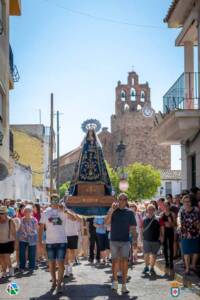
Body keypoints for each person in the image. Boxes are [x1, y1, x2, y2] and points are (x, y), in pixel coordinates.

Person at [38, 194, 77, 294]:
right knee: (51, 264)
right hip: (50, 242)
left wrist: (65, 211)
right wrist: (39, 241)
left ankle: (59, 284)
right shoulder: (46, 212)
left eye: (56, 199)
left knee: (61, 264)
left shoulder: (63, 210)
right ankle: (54, 282)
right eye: (53, 200)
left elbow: (74, 218)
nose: (55, 201)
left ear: (58, 200)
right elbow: (41, 227)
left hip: (62, 241)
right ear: (50, 201)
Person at [105, 193, 137, 294]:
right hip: (114, 240)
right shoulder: (113, 210)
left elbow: (133, 228)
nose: (122, 201)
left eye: (124, 199)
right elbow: (106, 222)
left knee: (124, 262)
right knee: (115, 262)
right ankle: (114, 282)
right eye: (120, 199)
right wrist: (111, 210)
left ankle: (124, 285)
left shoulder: (130, 212)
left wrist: (135, 239)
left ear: (127, 200)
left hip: (125, 241)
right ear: (117, 200)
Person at [177, 194, 200, 275]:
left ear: (191, 202)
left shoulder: (196, 210)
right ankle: (187, 269)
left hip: (195, 233)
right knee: (186, 252)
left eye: (188, 201)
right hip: (185, 233)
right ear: (183, 202)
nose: (187, 203)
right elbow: (178, 218)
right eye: (185, 202)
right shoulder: (182, 210)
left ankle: (193, 266)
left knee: (195, 251)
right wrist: (179, 225)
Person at [142, 204, 164, 276]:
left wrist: (162, 236)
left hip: (155, 239)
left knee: (154, 255)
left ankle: (152, 268)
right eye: (149, 209)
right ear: (147, 210)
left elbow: (161, 228)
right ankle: (146, 266)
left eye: (152, 209)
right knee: (146, 254)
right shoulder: (144, 219)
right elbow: (142, 228)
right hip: (146, 239)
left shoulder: (158, 219)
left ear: (154, 210)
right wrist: (141, 237)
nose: (150, 211)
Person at [18, 205, 38, 272]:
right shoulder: (22, 219)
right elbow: (20, 229)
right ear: (24, 212)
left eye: (29, 211)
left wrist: (29, 233)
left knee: (32, 253)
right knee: (22, 253)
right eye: (26, 211)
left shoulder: (34, 220)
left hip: (32, 238)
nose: (27, 212)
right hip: (23, 238)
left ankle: (31, 267)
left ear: (31, 212)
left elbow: (35, 229)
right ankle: (22, 267)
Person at [160, 201, 176, 275]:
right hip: (164, 232)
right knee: (165, 247)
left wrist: (170, 222)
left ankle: (171, 262)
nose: (166, 207)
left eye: (167, 206)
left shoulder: (172, 214)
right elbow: (160, 226)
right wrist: (161, 235)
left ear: (169, 206)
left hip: (170, 232)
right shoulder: (162, 214)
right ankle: (167, 262)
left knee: (171, 247)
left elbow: (175, 225)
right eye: (165, 206)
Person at [0, 206, 16, 278]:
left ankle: (10, 269)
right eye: (0, 213)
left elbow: (14, 233)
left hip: (8, 241)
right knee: (1, 257)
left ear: (6, 213)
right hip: (0, 241)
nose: (1, 214)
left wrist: (16, 243)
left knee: (6, 256)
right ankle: (4, 271)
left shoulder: (10, 221)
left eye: (2, 213)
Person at [64, 212, 82, 277]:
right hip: (64, 235)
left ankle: (70, 268)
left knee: (72, 252)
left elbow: (78, 219)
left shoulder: (75, 211)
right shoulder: (62, 212)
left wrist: (68, 212)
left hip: (74, 235)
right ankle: (66, 270)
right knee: (65, 253)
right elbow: (56, 222)